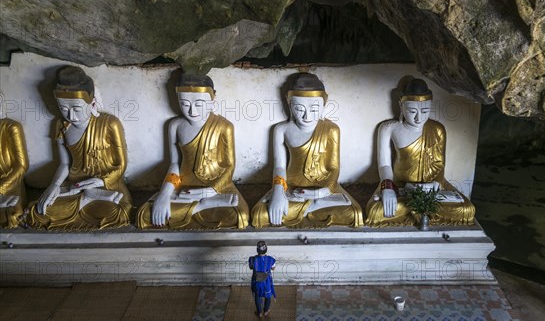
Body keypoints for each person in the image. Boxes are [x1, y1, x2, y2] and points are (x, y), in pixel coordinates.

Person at [136, 73, 249, 229]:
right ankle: (201, 206)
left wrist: (210, 190)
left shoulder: (224, 126)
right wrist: (164, 194)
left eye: (199, 103)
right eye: (184, 103)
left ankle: (198, 205)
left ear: (212, 100)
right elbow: (175, 164)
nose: (191, 110)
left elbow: (229, 166)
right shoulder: (175, 126)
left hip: (217, 186)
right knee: (145, 214)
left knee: (240, 216)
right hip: (184, 186)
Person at [251, 73, 363, 228]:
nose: (306, 115)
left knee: (354, 213)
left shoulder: (331, 129)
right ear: (289, 104)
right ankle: (313, 207)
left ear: (324, 105)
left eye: (314, 108)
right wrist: (278, 191)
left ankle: (309, 206)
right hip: (291, 186)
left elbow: (333, 168)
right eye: (299, 108)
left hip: (324, 186)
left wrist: (322, 192)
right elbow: (279, 166)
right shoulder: (282, 130)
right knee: (260, 214)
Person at [28, 66, 132, 230]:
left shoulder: (109, 123)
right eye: (63, 108)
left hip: (107, 187)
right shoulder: (61, 125)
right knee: (38, 210)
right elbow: (64, 164)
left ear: (92, 103)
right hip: (74, 186)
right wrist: (54, 186)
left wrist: (101, 180)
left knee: (117, 213)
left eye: (76, 108)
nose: (70, 115)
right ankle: (82, 202)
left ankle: (85, 203)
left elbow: (121, 165)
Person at [365, 78, 475, 226]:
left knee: (466, 209)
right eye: (412, 111)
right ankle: (418, 212)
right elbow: (384, 165)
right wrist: (388, 187)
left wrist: (432, 186)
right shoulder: (389, 128)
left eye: (424, 111)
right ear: (401, 105)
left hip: (431, 187)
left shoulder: (437, 129)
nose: (419, 117)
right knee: (376, 211)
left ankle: (417, 211)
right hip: (400, 186)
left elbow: (439, 166)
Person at [0, 91, 29, 228]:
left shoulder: (11, 127)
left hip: (11, 184)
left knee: (13, 214)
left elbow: (22, 165)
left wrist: (2, 186)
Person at [249, 241, 276, 318]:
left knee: (257, 296)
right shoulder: (271, 259)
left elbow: (251, 267)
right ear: (266, 249)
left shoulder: (252, 259)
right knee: (268, 296)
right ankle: (266, 311)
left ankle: (259, 312)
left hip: (256, 281)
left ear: (257, 250)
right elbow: (273, 268)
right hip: (266, 281)